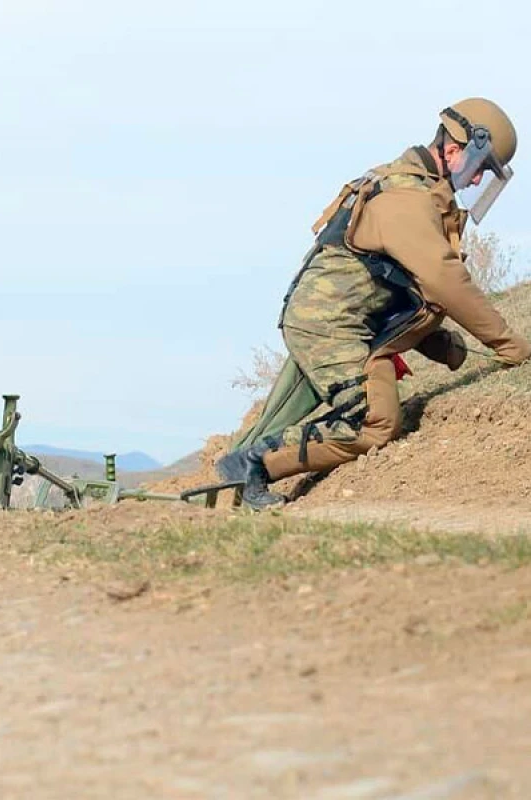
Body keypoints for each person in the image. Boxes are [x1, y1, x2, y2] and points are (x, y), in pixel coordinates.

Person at [218, 98, 530, 509]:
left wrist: (440, 345)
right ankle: (255, 463)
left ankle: (246, 465)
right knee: (374, 421)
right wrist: (511, 346)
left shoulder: (413, 190)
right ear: (455, 150)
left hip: (345, 324)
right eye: (479, 168)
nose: (476, 181)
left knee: (367, 409)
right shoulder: (408, 198)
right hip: (329, 325)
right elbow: (444, 280)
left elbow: (400, 291)